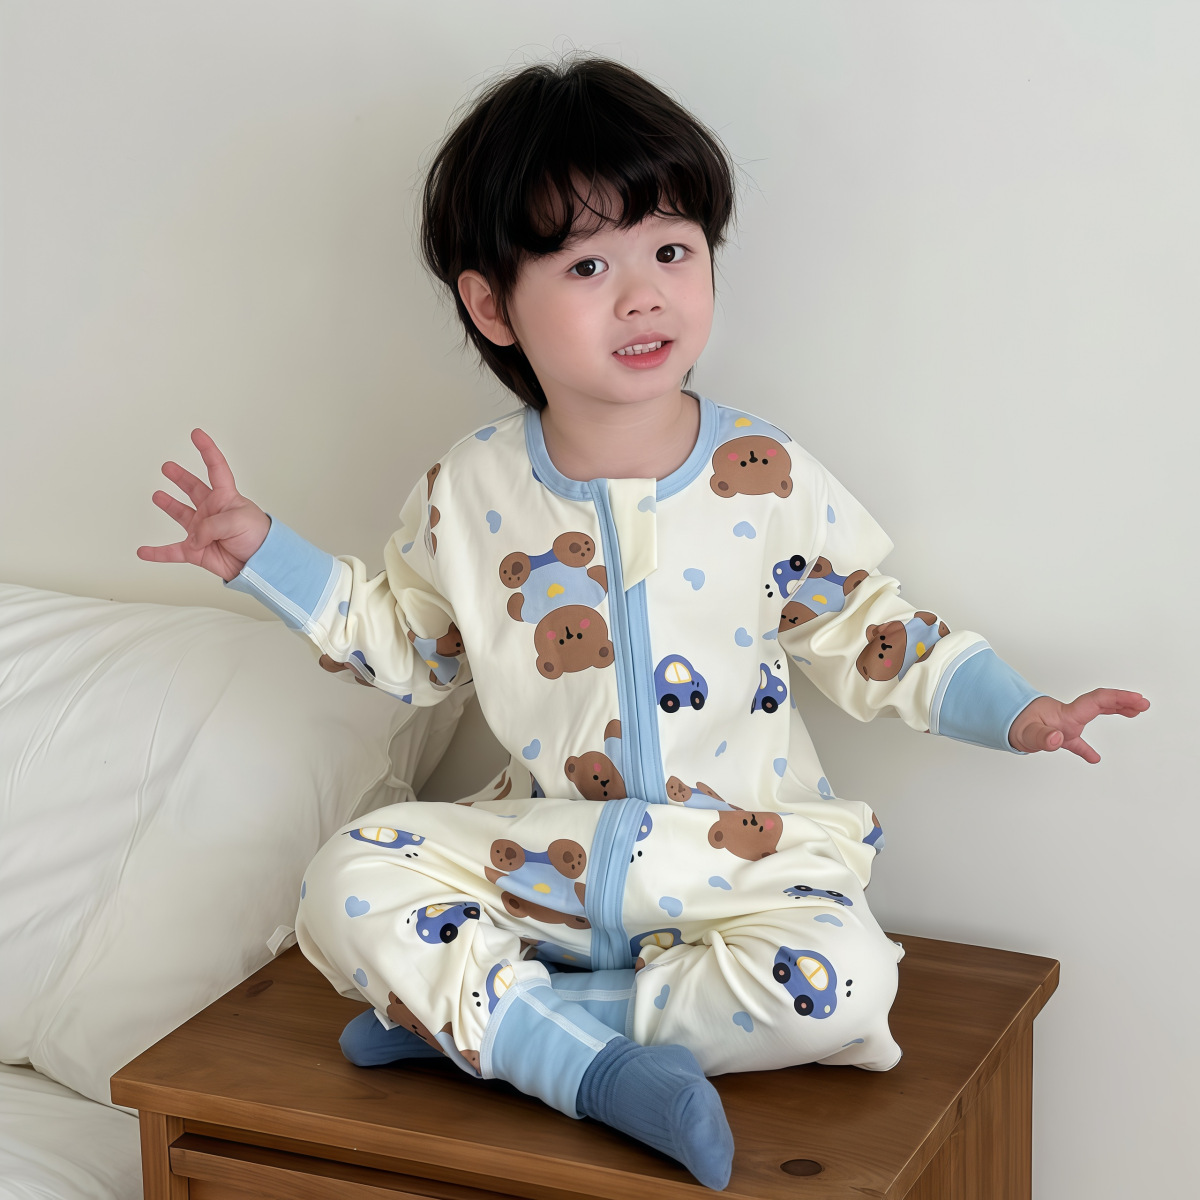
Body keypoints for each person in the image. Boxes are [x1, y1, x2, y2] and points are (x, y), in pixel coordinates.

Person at [136, 55, 1149, 1192]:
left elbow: (870, 629)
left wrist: (1019, 710)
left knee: (851, 982)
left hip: (736, 868)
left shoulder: (763, 472)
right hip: (546, 864)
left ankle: (496, 1027)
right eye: (587, 265)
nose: (643, 295)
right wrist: (265, 555)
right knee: (345, 881)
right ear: (491, 305)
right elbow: (417, 652)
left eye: (672, 250)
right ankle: (582, 1063)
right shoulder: (468, 489)